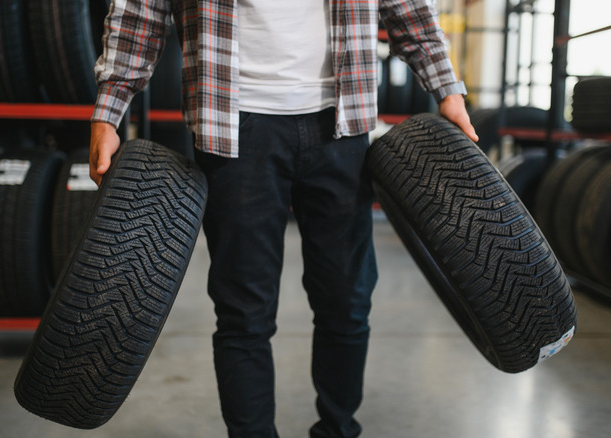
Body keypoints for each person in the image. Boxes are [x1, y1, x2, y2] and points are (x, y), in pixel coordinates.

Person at [90, 1, 477, 436]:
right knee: (243, 313)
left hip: (341, 121)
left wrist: (447, 90)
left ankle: (337, 430)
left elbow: (407, 7)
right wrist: (108, 113)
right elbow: (140, 10)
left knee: (347, 302)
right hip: (231, 123)